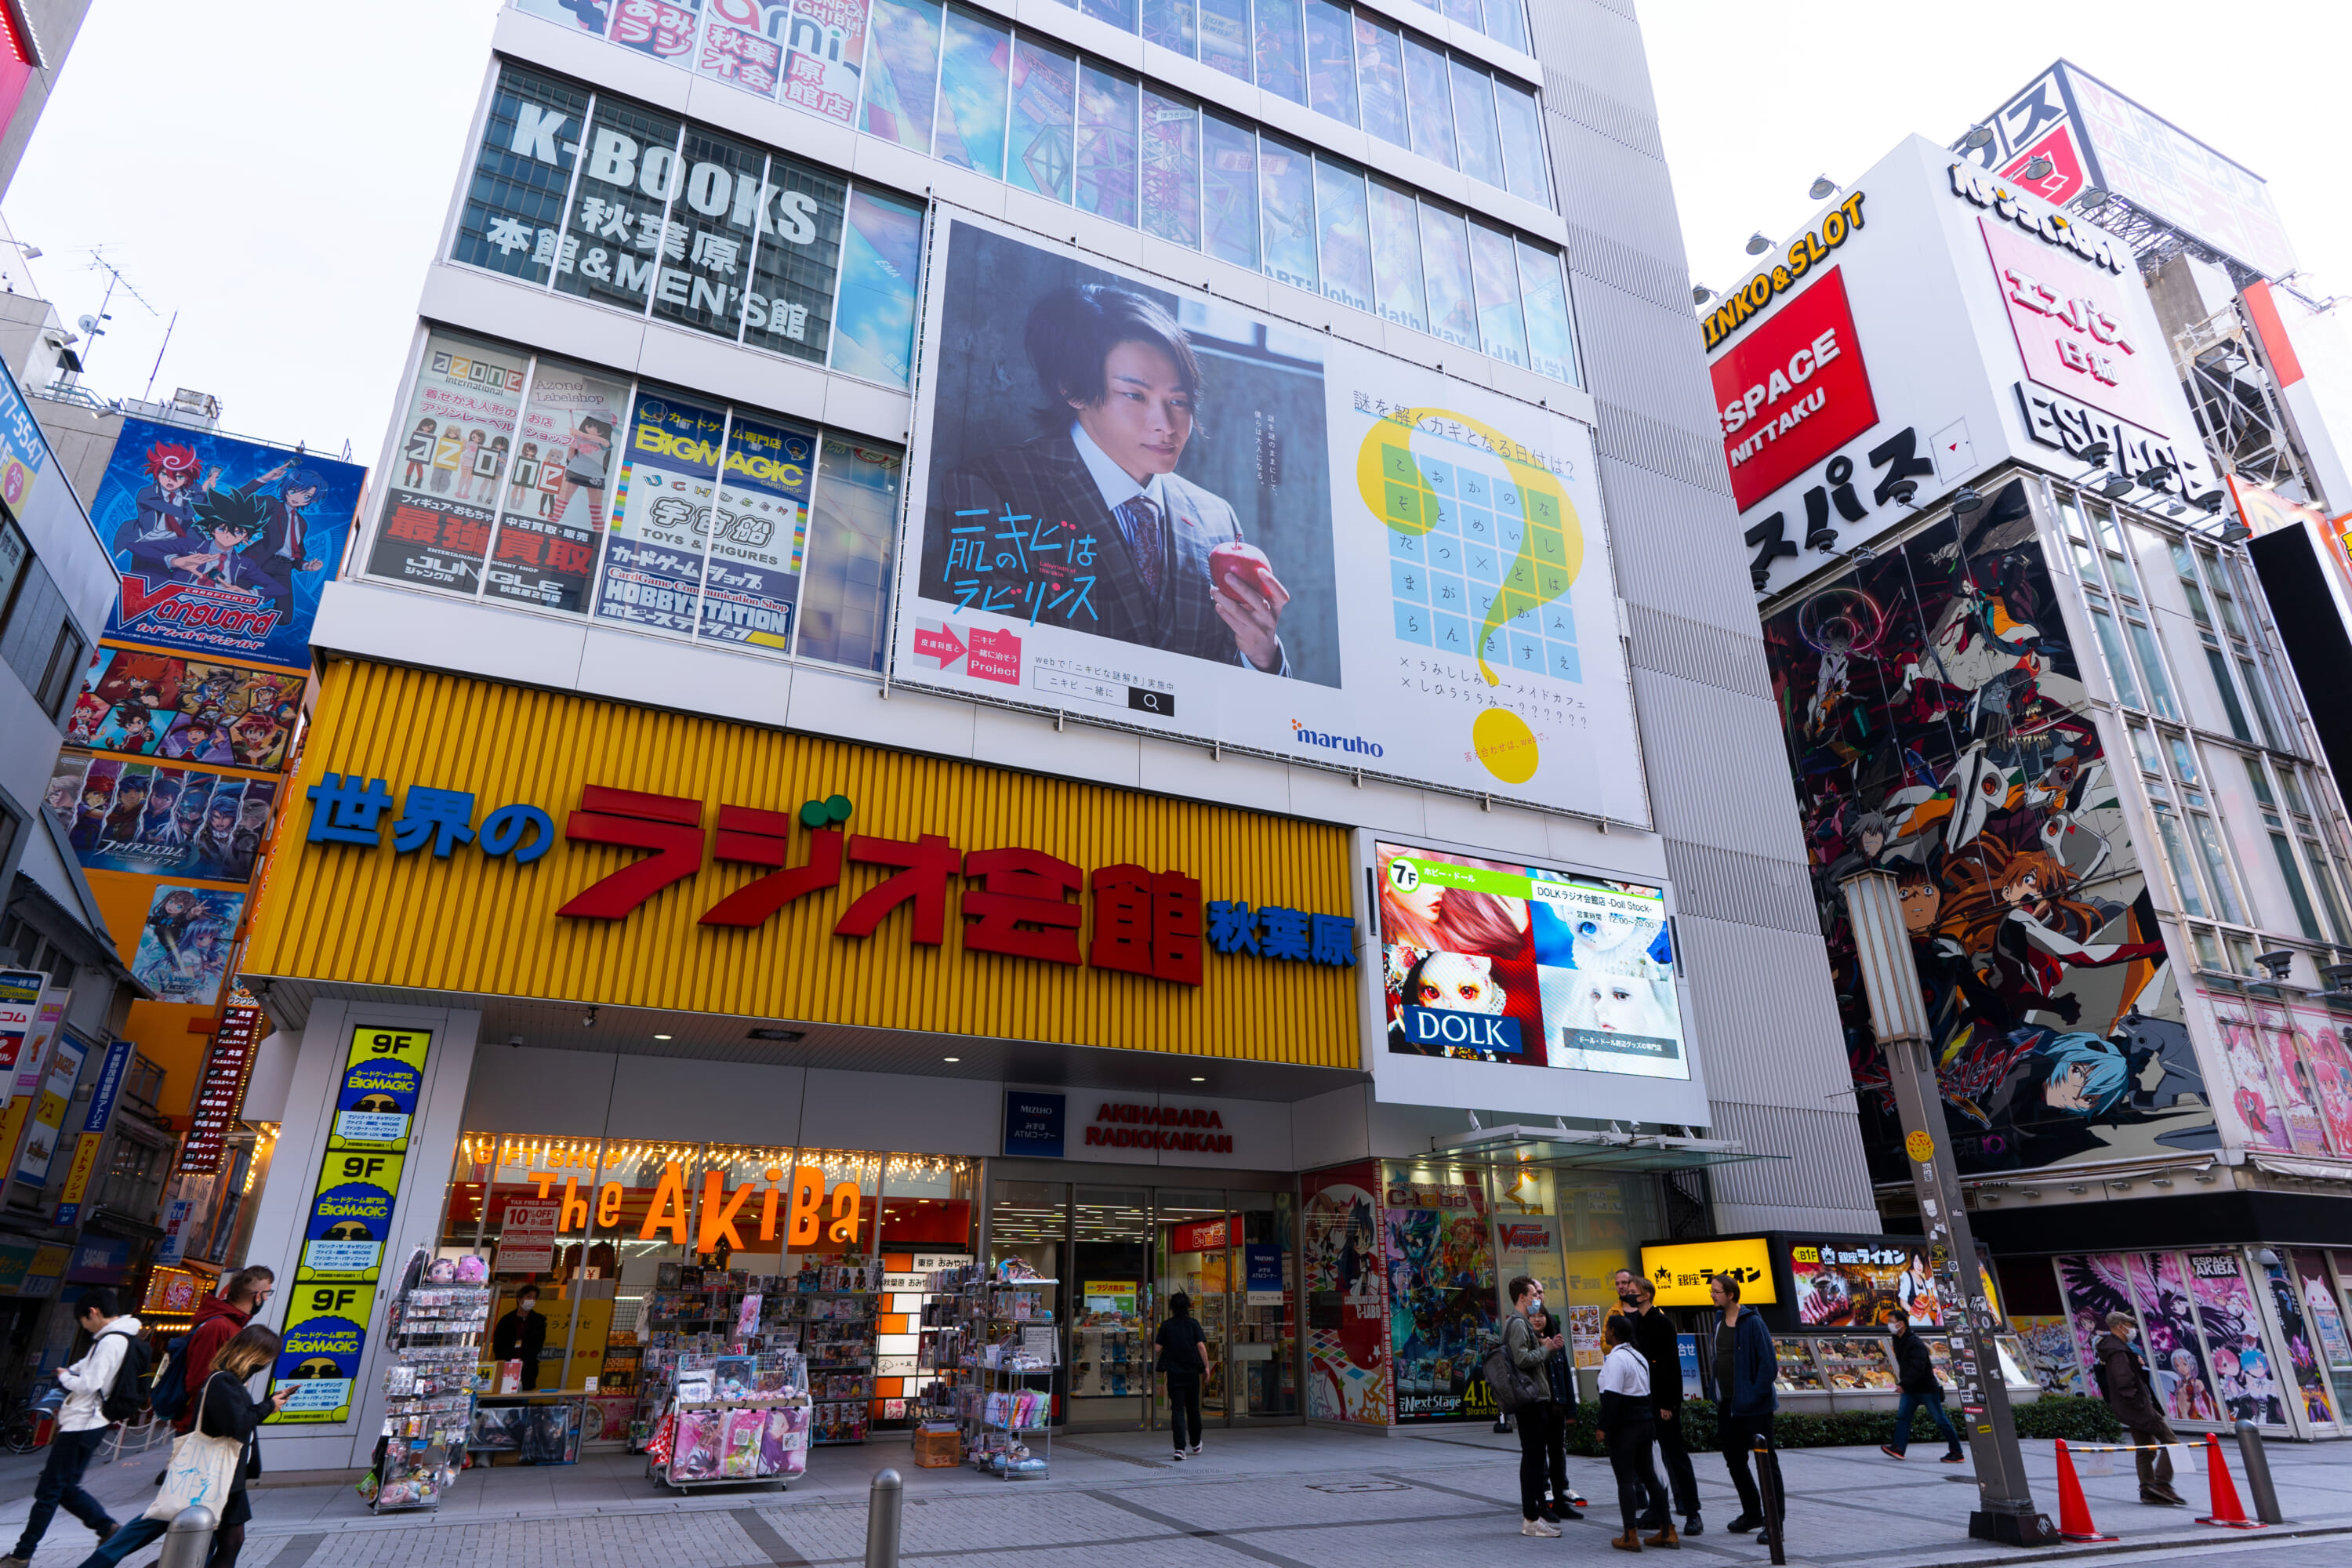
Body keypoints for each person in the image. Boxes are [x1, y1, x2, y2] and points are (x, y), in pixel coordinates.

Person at [934, 284, 1291, 674]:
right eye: (1135, 396)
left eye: (1179, 401)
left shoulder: (1216, 519)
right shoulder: (993, 489)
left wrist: (1262, 655)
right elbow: (988, 662)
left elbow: (1236, 693)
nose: (1166, 425)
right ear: (1073, 390)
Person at [82, 1323, 289, 1568]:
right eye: (266, 1358)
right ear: (254, 1355)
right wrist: (269, 1406)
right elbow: (236, 1424)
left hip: (227, 1477)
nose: (266, 1365)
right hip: (208, 1475)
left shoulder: (230, 1383)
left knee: (220, 1541)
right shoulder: (223, 1382)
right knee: (157, 1526)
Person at [2, 1290, 142, 1568]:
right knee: (64, 1488)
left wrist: (66, 1378)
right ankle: (107, 1528)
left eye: (83, 1320)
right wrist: (71, 1373)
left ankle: (21, 1555)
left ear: (94, 1312)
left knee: (48, 1491)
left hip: (83, 1423)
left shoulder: (111, 1341)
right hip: (89, 1423)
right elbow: (84, 1369)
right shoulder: (116, 1337)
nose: (84, 1326)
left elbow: (89, 1383)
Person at [1621, 1275, 1701, 1534]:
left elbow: (1670, 1367)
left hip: (1663, 1403)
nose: (1629, 1294)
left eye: (1633, 1291)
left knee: (1675, 1456)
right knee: (1648, 1458)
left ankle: (1692, 1512)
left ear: (1646, 1296)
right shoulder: (1640, 1323)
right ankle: (1658, 1508)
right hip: (1646, 1401)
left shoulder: (1661, 1322)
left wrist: (1668, 1404)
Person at [1710, 1272, 1781, 1541]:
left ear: (1730, 1294)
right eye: (1712, 1291)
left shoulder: (1752, 1322)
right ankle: (1752, 1513)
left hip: (1755, 1407)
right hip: (1728, 1405)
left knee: (1767, 1463)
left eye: (1716, 1291)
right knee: (1735, 1461)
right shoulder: (1717, 1321)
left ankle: (1775, 1524)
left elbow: (1769, 1366)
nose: (1712, 1295)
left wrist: (1751, 1396)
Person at [1598, 1315, 1673, 1552]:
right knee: (1650, 1476)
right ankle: (1667, 1530)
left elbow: (1611, 1397)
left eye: (1606, 1329)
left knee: (1625, 1480)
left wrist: (1602, 1427)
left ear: (1613, 1332)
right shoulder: (1639, 1357)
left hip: (1625, 1427)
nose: (1605, 1334)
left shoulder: (1616, 1359)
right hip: (1645, 1423)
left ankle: (1630, 1534)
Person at [2096, 1312, 2185, 1504]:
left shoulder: (2116, 1349)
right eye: (2130, 1325)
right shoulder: (2118, 1352)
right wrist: (2140, 1405)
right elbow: (2124, 1381)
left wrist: (2135, 1363)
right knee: (2172, 1443)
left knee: (2147, 1448)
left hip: (2130, 1409)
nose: (2133, 1330)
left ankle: (2147, 1488)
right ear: (2120, 1326)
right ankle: (2161, 1484)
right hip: (2138, 1408)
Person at [175, 1269, 273, 1436]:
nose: (266, 1299)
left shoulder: (232, 1324)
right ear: (257, 1296)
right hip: (203, 1427)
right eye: (267, 1293)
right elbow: (199, 1381)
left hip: (212, 1422)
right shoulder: (219, 1326)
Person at [1504, 1276, 1566, 1537]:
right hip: (1530, 1400)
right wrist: (1544, 1351)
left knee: (1534, 1458)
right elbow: (1521, 1358)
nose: (1536, 1300)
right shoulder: (1518, 1324)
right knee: (1533, 1459)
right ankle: (1531, 1518)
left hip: (1534, 1398)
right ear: (1522, 1298)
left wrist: (1547, 1348)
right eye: (1533, 1296)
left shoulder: (1518, 1324)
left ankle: (1533, 1516)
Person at [1880, 1308, 1965, 1464]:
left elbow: (1917, 1367)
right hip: (1911, 1388)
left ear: (1902, 1324)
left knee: (1940, 1419)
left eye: (1892, 1322)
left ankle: (1957, 1452)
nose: (1890, 1325)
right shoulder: (1898, 1340)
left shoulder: (1914, 1342)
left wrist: (1904, 1384)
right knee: (1903, 1417)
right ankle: (1898, 1448)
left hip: (1926, 1388)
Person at [1528, 1301, 1581, 1523]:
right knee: (1539, 1458)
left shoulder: (1557, 1344)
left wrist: (1572, 1409)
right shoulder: (1529, 1344)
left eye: (1542, 1315)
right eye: (1534, 1316)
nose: (1538, 1319)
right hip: (1538, 1409)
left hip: (1557, 1409)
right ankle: (1542, 1504)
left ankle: (1560, 1502)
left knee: (1557, 1457)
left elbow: (1566, 1379)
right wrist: (1543, 1348)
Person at [1154, 1290, 1210, 1459]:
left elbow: (1157, 1348)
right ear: (1188, 1306)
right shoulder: (1193, 1324)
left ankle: (1179, 1449)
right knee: (1193, 1409)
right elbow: (1201, 1347)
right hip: (1192, 1372)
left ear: (1171, 1307)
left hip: (1174, 1373)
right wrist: (1206, 1367)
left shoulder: (1166, 1325)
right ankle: (1196, 1443)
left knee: (1177, 1410)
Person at [495, 1285, 548, 1392]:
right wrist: (509, 1361)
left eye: (534, 1298)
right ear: (519, 1299)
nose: (532, 1300)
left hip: (527, 1368)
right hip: (506, 1367)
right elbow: (498, 1344)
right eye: (529, 1297)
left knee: (524, 1398)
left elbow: (538, 1345)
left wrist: (524, 1360)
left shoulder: (539, 1321)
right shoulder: (506, 1320)